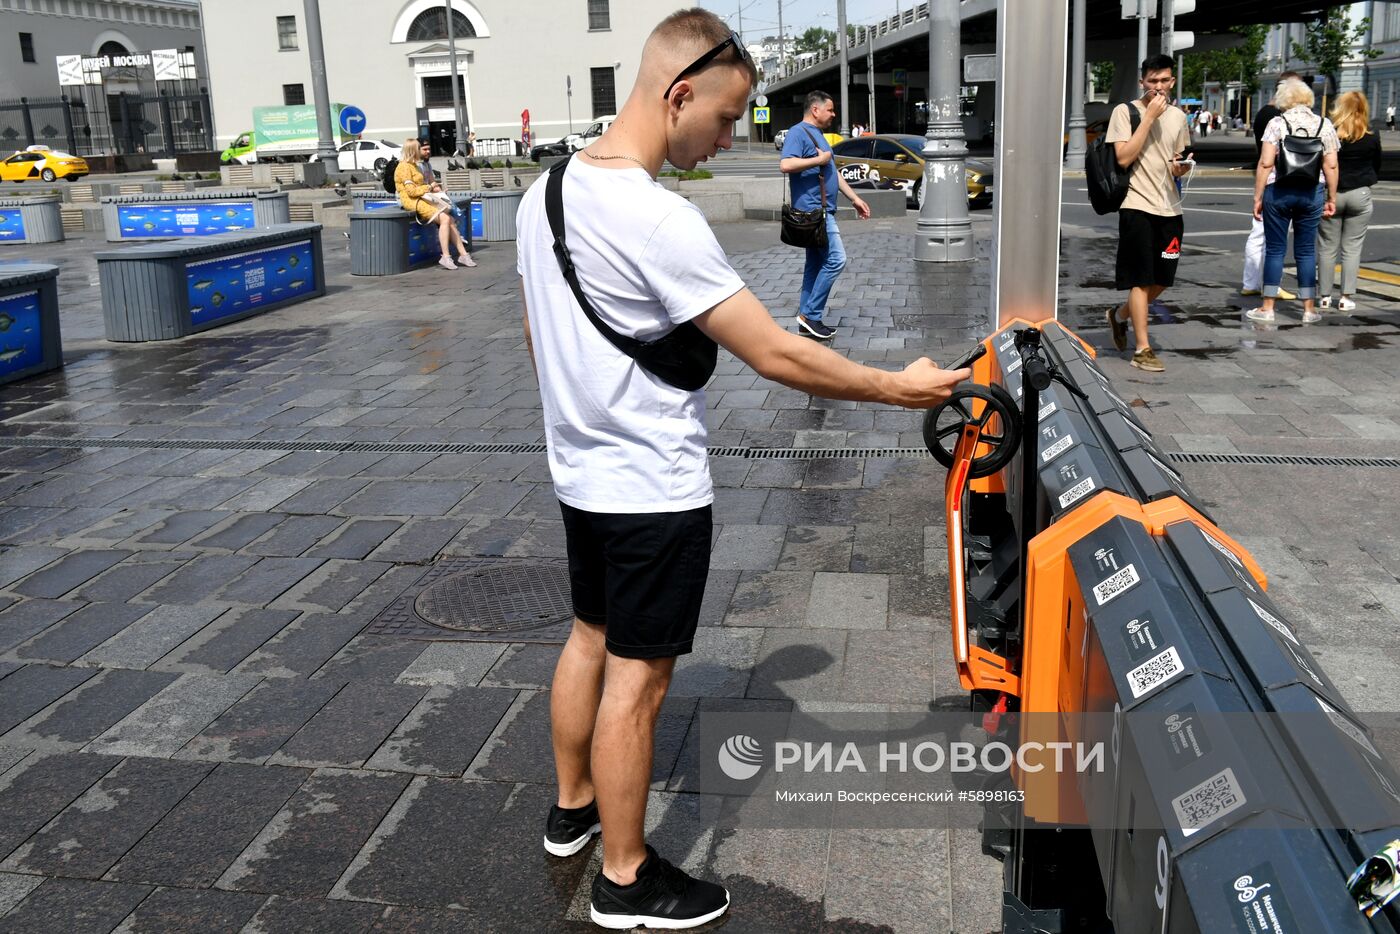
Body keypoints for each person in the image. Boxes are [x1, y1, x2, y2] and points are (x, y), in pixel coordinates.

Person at [514, 9, 967, 929]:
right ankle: (627, 879)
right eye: (724, 118)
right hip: (651, 489)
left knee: (586, 638)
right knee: (638, 680)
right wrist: (897, 386)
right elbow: (779, 355)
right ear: (678, 92)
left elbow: (538, 334)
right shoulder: (655, 216)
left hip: (579, 476)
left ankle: (572, 813)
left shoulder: (545, 194)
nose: (730, 137)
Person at [1104, 54, 1192, 373]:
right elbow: (1124, 157)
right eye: (1151, 81)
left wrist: (1179, 167)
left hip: (1170, 207)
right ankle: (1143, 348)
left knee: (1163, 278)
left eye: (1163, 80)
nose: (1158, 87)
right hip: (1136, 206)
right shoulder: (1125, 112)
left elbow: (1174, 158)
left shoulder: (1180, 118)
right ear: (1142, 82)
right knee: (1140, 279)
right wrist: (1150, 118)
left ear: (1172, 81)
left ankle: (1120, 315)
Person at [1246, 78, 1339, 325]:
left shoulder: (1277, 123)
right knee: (1307, 251)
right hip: (1312, 192)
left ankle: (1267, 308)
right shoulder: (1324, 125)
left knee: (1276, 249)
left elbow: (1265, 163)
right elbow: (1330, 164)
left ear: (1284, 100)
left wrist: (1257, 197)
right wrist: (1331, 196)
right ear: (1308, 98)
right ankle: (1309, 309)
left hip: (1278, 191)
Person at [779, 90, 871, 340]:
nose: (833, 114)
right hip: (814, 212)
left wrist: (855, 199)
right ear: (815, 110)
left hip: (822, 211)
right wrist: (818, 159)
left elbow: (832, 172)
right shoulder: (799, 132)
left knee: (815, 265)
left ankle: (807, 319)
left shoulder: (818, 135)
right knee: (836, 260)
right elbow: (785, 164)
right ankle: (811, 315)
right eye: (830, 109)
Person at [1317, 91, 1381, 313]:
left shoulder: (1329, 134)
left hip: (1331, 194)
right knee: (1352, 248)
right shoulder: (1372, 137)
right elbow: (1377, 166)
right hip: (1360, 194)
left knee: (1327, 247)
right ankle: (1346, 297)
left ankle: (1324, 297)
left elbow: (1321, 164)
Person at [1241, 72, 1302, 299]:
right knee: (1273, 237)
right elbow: (1269, 157)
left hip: (1267, 178)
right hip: (1278, 180)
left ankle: (1250, 282)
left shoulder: (1262, 113)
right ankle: (1270, 285)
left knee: (1258, 233)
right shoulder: (1277, 117)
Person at [394, 138, 475, 270]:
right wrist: (429, 188)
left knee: (450, 219)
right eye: (419, 148)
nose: (424, 151)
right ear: (413, 150)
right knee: (445, 218)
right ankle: (446, 256)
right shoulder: (403, 167)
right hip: (413, 201)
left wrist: (433, 189)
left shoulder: (413, 165)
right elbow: (411, 191)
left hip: (421, 198)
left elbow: (420, 186)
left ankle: (463, 255)